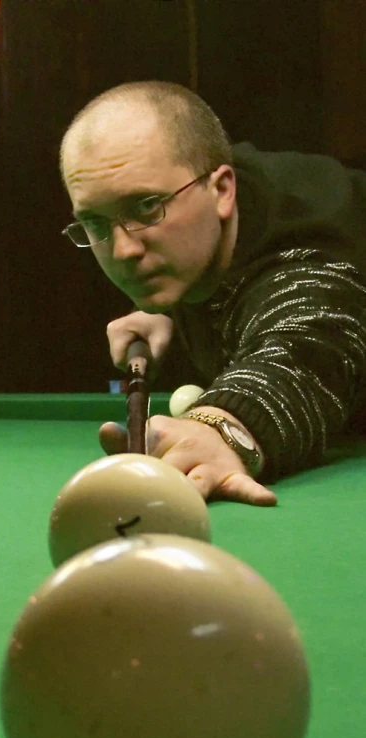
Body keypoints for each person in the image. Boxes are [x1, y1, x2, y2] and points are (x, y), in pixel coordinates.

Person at [59, 80, 366, 506]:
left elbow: (309, 337)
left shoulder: (307, 241)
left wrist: (225, 426)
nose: (125, 250)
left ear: (222, 190)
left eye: (146, 206)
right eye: (95, 223)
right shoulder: (199, 217)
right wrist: (166, 309)